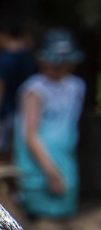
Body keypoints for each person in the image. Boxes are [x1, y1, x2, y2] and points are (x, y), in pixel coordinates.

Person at [14, 28, 86, 218]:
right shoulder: (34, 89)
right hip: (40, 164)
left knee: (65, 218)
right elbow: (30, 135)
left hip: (65, 159)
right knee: (41, 222)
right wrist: (51, 172)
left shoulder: (77, 86)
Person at [0, 19, 38, 164]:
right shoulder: (29, 56)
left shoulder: (5, 58)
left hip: (5, 113)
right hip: (25, 115)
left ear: (3, 33)